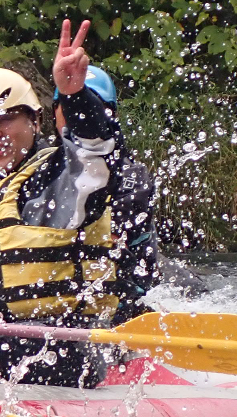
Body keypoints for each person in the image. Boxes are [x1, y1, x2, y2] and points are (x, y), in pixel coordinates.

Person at [0, 20, 125, 387]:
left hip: (68, 346)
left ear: (35, 120)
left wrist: (74, 96)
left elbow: (96, 149)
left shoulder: (61, 179)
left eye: (4, 119)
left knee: (9, 349)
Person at [52, 66, 160, 324]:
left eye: (91, 105)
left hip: (120, 302)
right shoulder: (42, 170)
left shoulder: (131, 177)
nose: (75, 116)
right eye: (66, 107)